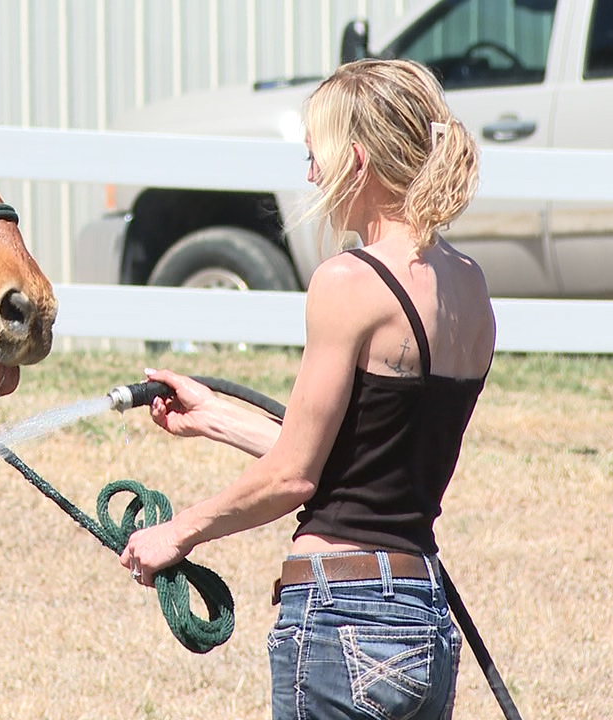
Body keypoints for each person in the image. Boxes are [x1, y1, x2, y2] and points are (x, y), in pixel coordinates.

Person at [118, 58, 495, 719]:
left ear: (356, 161)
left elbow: (295, 478)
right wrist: (215, 417)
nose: (310, 175)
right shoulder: (469, 285)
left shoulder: (349, 283)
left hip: (342, 613)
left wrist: (177, 533)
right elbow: (355, 459)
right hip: (421, 614)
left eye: (314, 156)